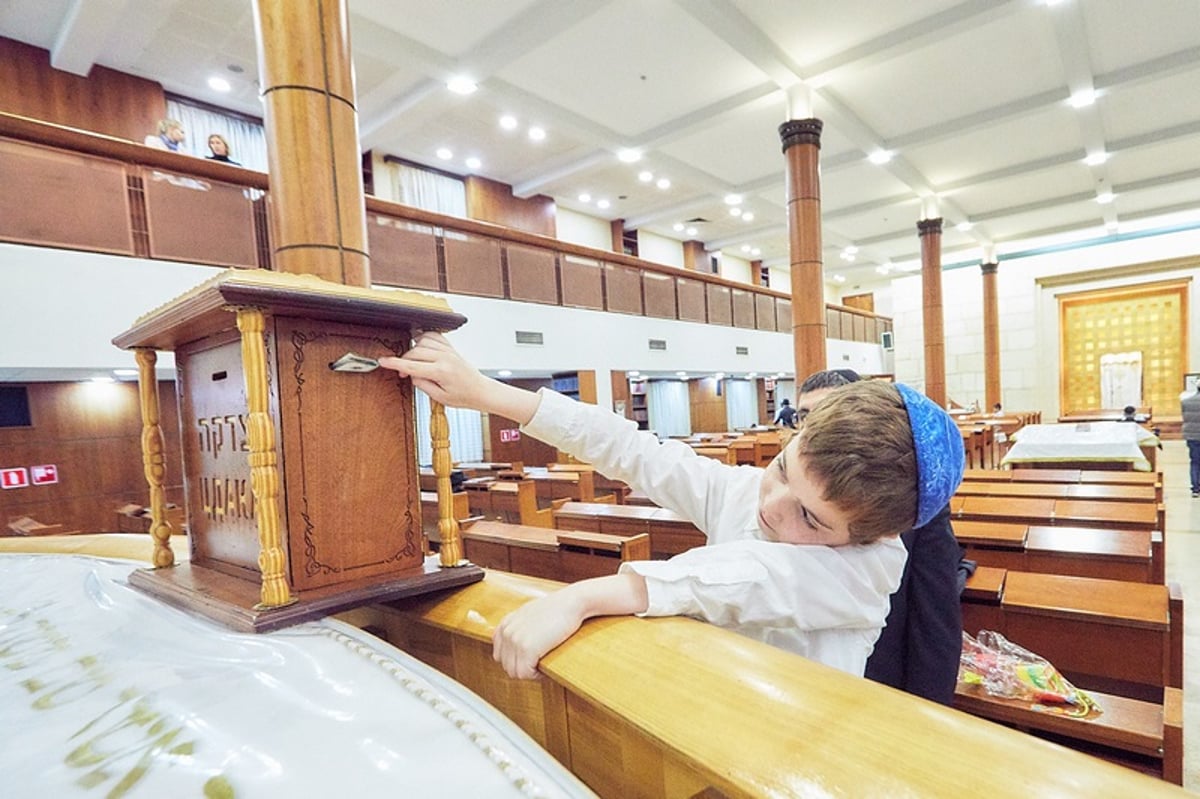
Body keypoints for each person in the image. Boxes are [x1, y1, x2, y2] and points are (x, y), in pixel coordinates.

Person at [378, 333, 965, 681]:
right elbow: (638, 451)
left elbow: (742, 578)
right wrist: (487, 394)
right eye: (782, 469)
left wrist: (587, 595)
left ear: (865, 537)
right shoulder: (750, 494)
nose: (773, 509)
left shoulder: (870, 568)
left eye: (811, 518)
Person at [797, 369, 967, 705]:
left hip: (876, 685)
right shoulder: (778, 493)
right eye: (804, 419)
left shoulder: (910, 507)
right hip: (798, 681)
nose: (810, 434)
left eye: (825, 416)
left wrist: (926, 716)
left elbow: (935, 623)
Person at [1182, 386, 1200, 498]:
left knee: (1194, 461)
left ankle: (1195, 488)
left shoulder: (1186, 402)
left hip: (1191, 435)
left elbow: (1185, 417)